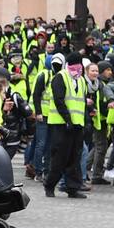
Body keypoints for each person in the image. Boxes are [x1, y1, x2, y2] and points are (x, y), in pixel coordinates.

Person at [41, 55, 88, 199]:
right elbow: (59, 100)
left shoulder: (81, 80)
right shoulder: (60, 77)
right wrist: (67, 119)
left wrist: (84, 122)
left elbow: (83, 102)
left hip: (77, 125)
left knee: (75, 157)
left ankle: (72, 188)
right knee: (59, 157)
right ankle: (50, 185)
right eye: (75, 65)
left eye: (79, 65)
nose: (78, 67)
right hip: (62, 124)